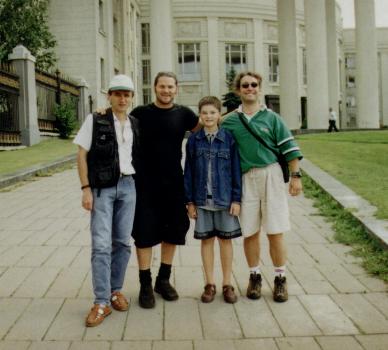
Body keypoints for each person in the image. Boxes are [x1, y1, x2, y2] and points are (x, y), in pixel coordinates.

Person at [222, 71, 303, 303]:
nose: (250, 88)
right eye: (245, 85)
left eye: (254, 85)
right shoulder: (229, 121)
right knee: (250, 231)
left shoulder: (272, 118)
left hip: (271, 175)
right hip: (245, 178)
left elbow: (289, 148)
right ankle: (254, 276)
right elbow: (205, 125)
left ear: (259, 88)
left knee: (275, 230)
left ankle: (280, 279)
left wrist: (295, 176)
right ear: (238, 90)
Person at [74, 74, 139, 327]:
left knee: (122, 243)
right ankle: (101, 302)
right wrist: (85, 188)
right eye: (118, 94)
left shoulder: (135, 122)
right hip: (102, 188)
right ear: (109, 95)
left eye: (127, 94)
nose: (122, 98)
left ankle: (115, 290)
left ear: (132, 98)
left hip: (128, 186)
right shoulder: (95, 119)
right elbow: (81, 155)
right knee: (101, 245)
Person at [131, 71, 199, 308]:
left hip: (173, 183)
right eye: (162, 86)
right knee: (144, 234)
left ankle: (163, 279)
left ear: (176, 89)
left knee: (173, 231)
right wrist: (101, 112)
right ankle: (145, 284)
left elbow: (209, 124)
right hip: (144, 184)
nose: (166, 91)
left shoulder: (184, 114)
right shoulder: (139, 113)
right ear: (155, 87)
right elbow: (118, 123)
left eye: (171, 87)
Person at [184, 96, 242, 304]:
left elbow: (236, 171)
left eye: (212, 112)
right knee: (206, 241)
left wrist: (237, 199)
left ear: (219, 115)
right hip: (202, 201)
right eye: (204, 113)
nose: (208, 116)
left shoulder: (229, 138)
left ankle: (227, 283)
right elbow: (188, 172)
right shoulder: (193, 140)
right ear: (200, 115)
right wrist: (189, 202)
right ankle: (209, 283)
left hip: (225, 200)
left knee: (226, 241)